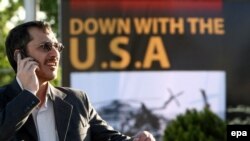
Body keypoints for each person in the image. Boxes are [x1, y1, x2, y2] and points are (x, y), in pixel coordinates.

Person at [0, 21, 156, 141]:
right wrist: (28, 94)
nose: (55, 53)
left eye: (56, 46)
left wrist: (138, 139)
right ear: (19, 56)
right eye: (45, 46)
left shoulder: (77, 100)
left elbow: (110, 139)